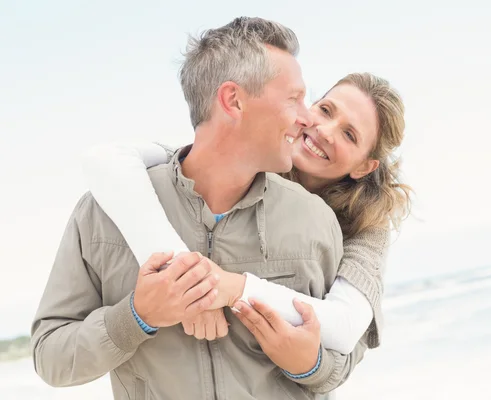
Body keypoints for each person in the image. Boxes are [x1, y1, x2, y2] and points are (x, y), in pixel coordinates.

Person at [31, 17, 363, 400]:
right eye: (293, 99)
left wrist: (312, 364)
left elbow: (346, 354)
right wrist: (137, 316)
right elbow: (50, 357)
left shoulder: (313, 220)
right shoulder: (101, 215)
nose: (307, 118)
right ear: (233, 101)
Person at [82, 72, 411, 359]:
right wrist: (188, 275)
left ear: (364, 166)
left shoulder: (367, 224)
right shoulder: (248, 156)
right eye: (325, 110)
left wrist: (229, 288)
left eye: (349, 135)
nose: (325, 130)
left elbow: (344, 327)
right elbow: (106, 159)